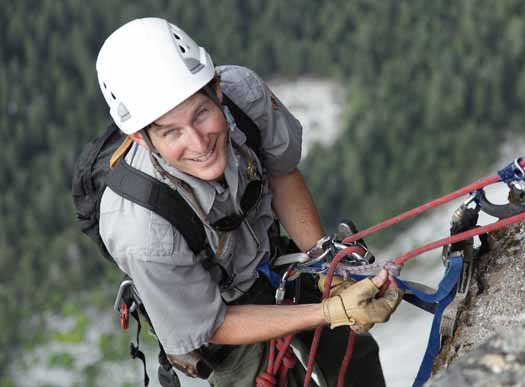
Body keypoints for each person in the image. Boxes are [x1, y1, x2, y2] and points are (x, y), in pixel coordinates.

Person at [96, 17, 402, 387]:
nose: (198, 142)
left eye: (201, 114)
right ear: (141, 139)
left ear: (217, 90)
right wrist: (327, 311)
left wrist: (325, 260)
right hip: (217, 308)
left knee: (353, 352)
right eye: (172, 131)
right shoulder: (141, 231)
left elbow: (282, 173)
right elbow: (212, 324)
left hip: (270, 254)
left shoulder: (246, 97)